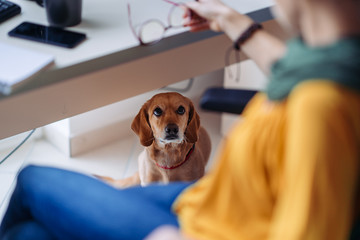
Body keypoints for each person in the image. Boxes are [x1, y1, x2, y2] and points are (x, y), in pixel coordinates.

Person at [1, 0, 360, 239]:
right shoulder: (329, 65)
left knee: (32, 180)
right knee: (32, 234)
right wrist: (230, 20)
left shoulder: (322, 106)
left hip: (209, 229)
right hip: (211, 199)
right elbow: (292, 70)